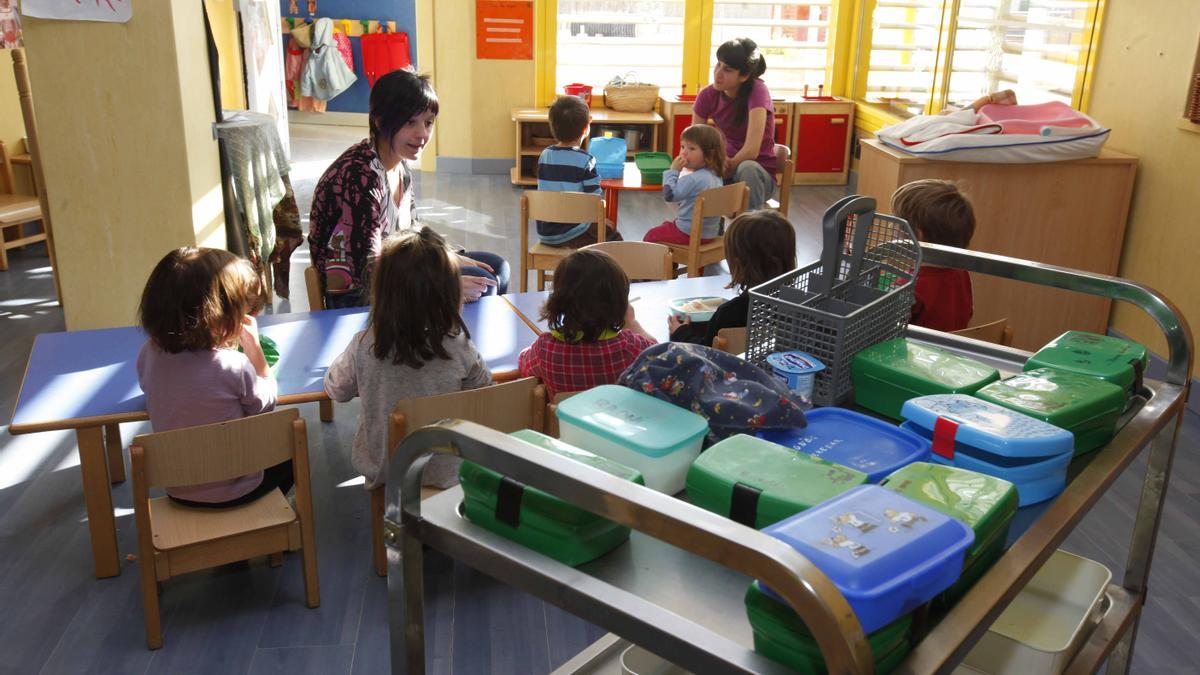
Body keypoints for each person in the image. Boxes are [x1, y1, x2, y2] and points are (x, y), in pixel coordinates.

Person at [308, 69, 509, 309]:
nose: (422, 134)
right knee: (484, 283)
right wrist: (444, 286)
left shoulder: (399, 163)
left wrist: (444, 257)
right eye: (409, 122)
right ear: (379, 120)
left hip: (397, 269)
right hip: (357, 295)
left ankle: (455, 342)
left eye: (428, 123)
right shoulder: (359, 175)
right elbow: (368, 270)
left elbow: (411, 232)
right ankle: (447, 345)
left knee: (497, 268)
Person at [324, 227, 493, 489]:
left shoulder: (365, 344)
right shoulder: (459, 346)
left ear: (383, 292)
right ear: (450, 292)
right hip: (449, 473)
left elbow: (337, 390)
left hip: (387, 471)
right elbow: (484, 393)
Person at [136, 247, 289, 507]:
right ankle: (275, 530)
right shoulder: (234, 365)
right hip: (240, 489)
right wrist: (257, 355)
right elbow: (265, 404)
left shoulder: (148, 354)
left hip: (179, 491)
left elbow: (149, 388)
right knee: (288, 451)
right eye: (241, 308)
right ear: (220, 318)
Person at [518, 249, 656, 398]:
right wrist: (632, 322)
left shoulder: (545, 348)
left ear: (559, 299)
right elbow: (660, 356)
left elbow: (524, 365)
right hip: (616, 419)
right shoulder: (630, 346)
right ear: (619, 301)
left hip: (564, 421)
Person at [668, 209, 796, 346]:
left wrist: (681, 333)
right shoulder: (798, 304)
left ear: (738, 264)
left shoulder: (730, 313)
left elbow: (705, 352)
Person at [693, 37, 777, 210]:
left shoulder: (758, 91)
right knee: (696, 175)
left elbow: (751, 151)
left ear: (744, 75)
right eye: (718, 65)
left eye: (728, 69)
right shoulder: (707, 95)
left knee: (747, 168)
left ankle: (749, 232)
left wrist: (726, 167)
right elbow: (694, 141)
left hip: (757, 176)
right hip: (724, 169)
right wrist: (712, 162)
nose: (718, 73)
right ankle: (708, 233)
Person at [535, 95, 621, 247]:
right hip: (574, 232)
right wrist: (604, 221)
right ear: (586, 128)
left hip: (546, 232)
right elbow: (595, 203)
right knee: (614, 238)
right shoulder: (586, 160)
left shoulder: (544, 156)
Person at [891, 179, 976, 331]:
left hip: (914, 353)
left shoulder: (910, 286)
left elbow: (882, 327)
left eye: (897, 222)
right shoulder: (961, 273)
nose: (891, 227)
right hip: (951, 351)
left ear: (917, 236)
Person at [642, 124, 726, 246]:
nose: (684, 153)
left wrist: (673, 171)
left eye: (691, 149)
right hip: (710, 233)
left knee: (651, 235)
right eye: (682, 147)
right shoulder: (716, 175)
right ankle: (669, 262)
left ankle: (660, 264)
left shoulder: (693, 179)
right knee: (666, 226)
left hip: (689, 233)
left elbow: (669, 195)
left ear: (709, 153)